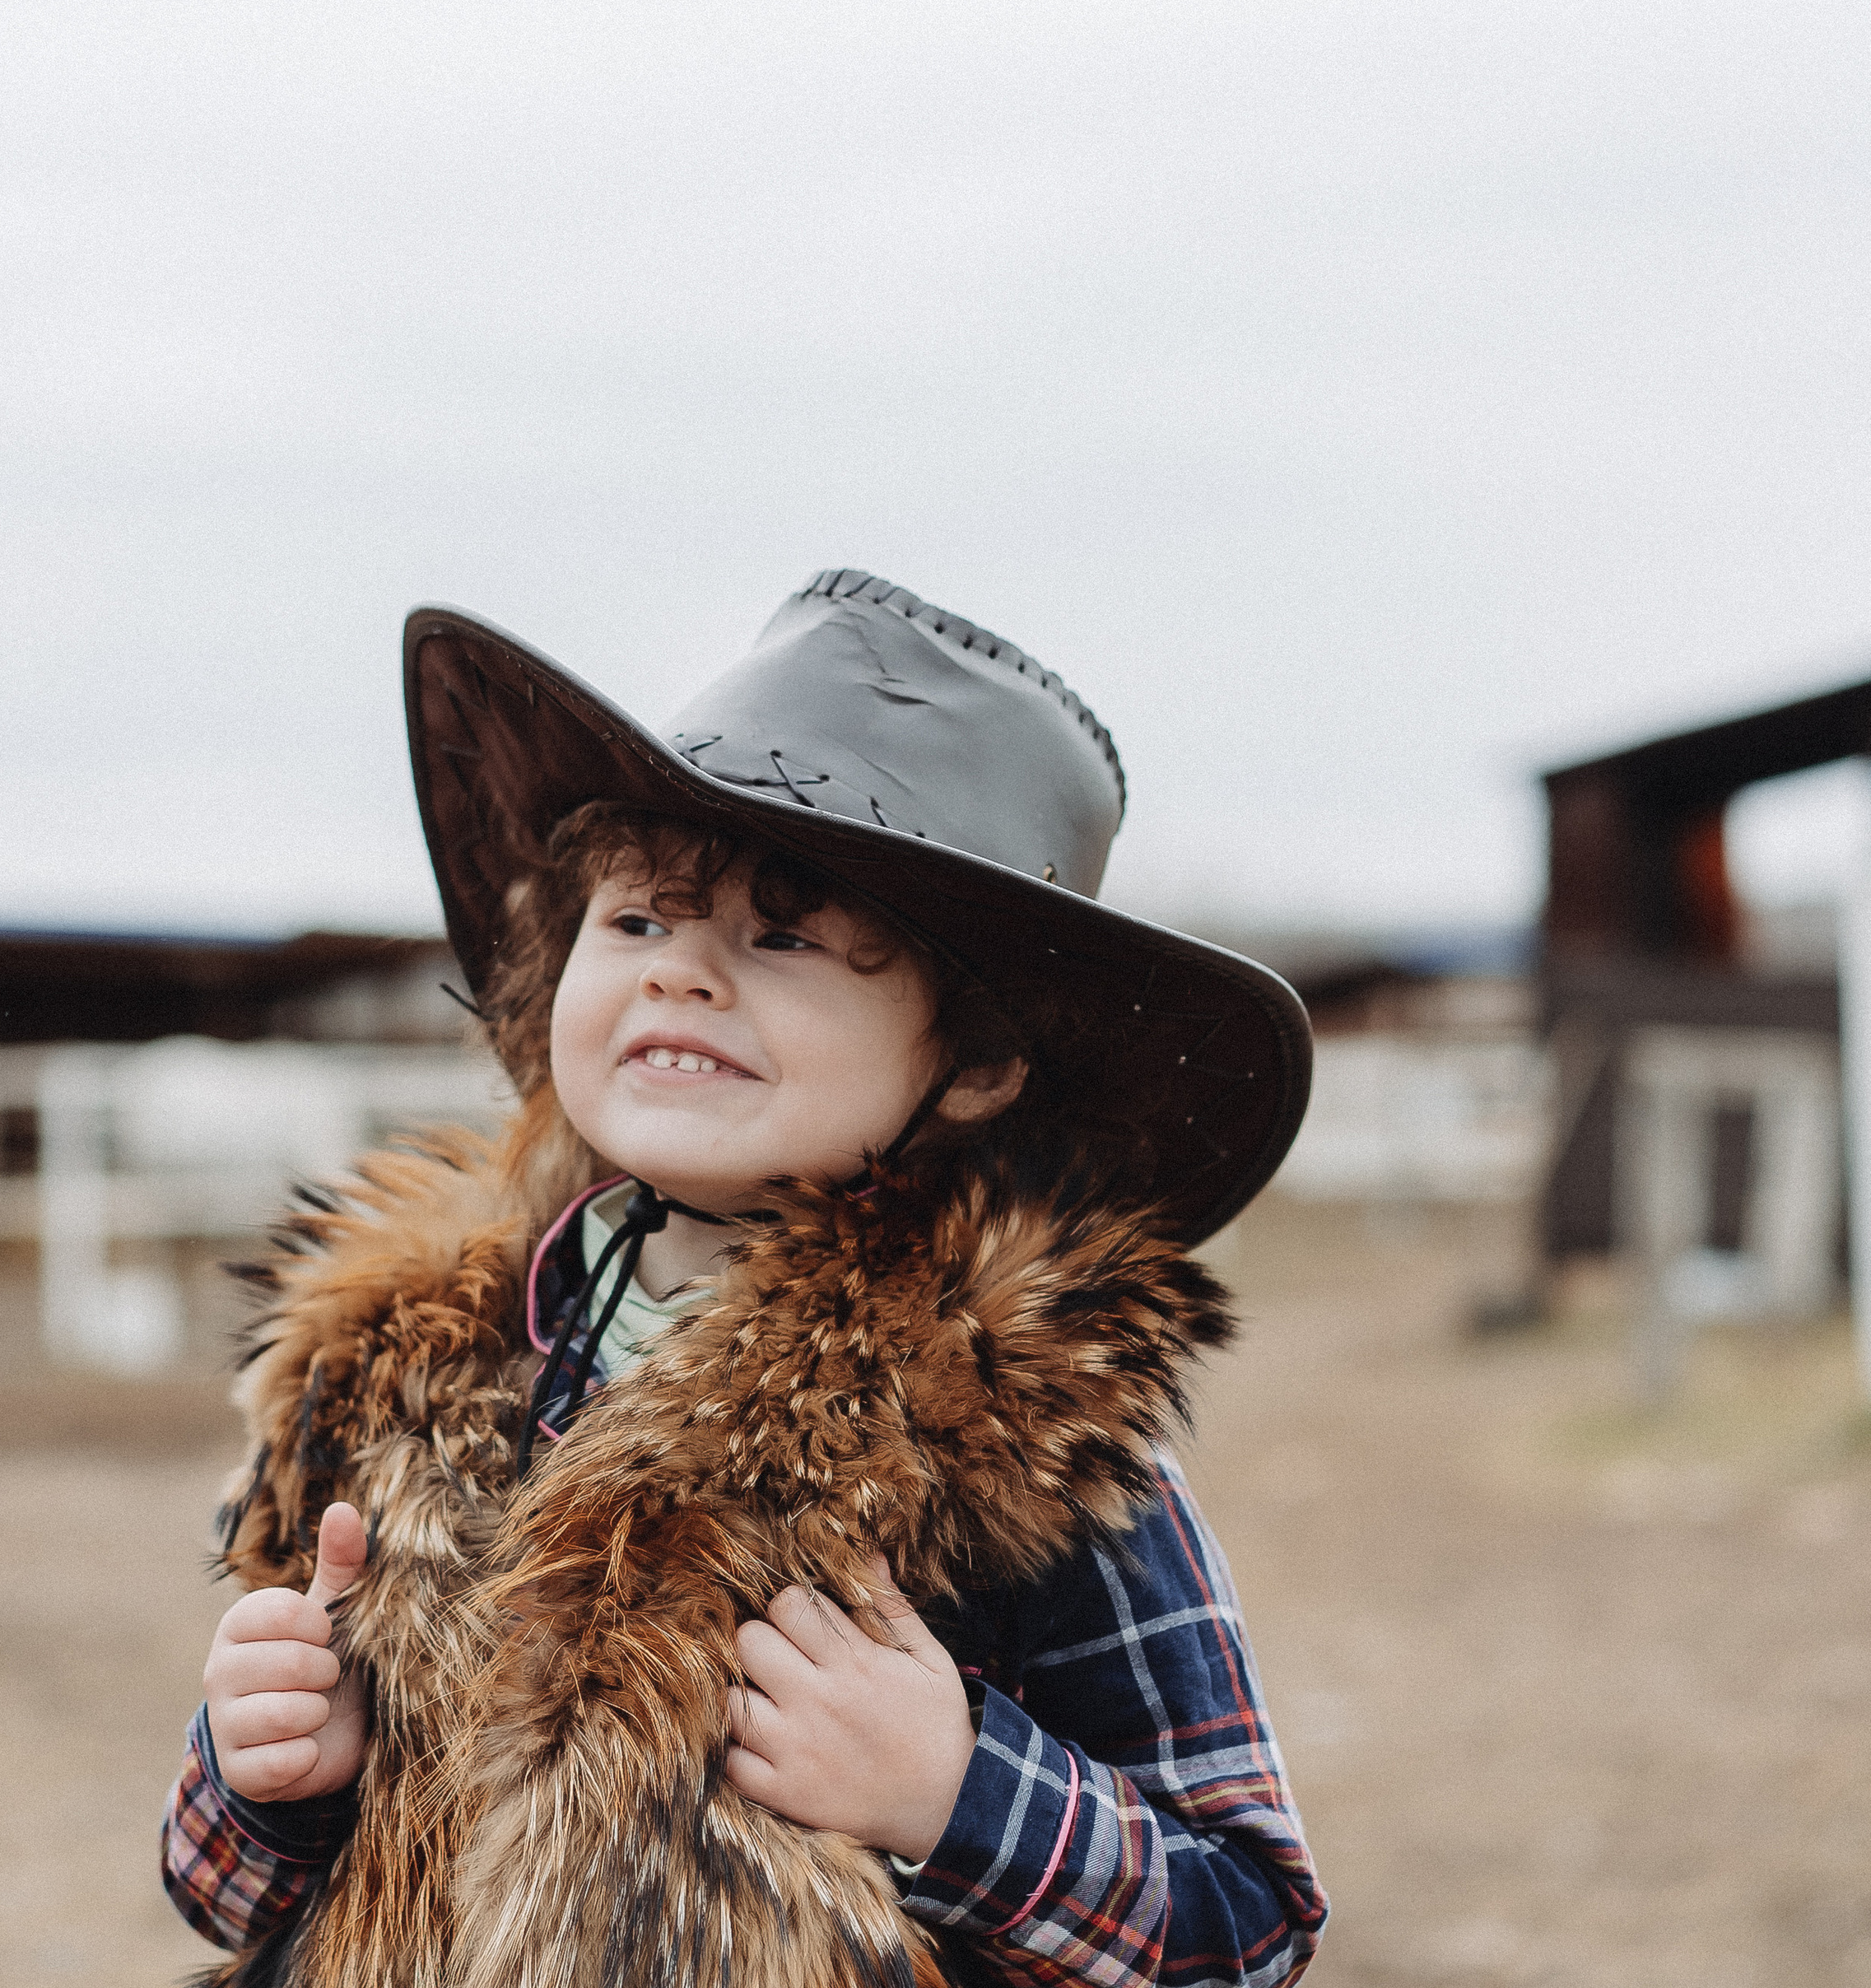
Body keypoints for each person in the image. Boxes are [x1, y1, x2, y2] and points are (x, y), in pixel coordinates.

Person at [161, 571, 1328, 1987]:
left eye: (779, 938)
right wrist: (266, 1772)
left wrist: (956, 1797)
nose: (683, 977)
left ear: (974, 1062)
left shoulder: (1018, 1433)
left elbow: (1247, 1929)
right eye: (637, 922)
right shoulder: (407, 1366)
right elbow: (224, 1895)